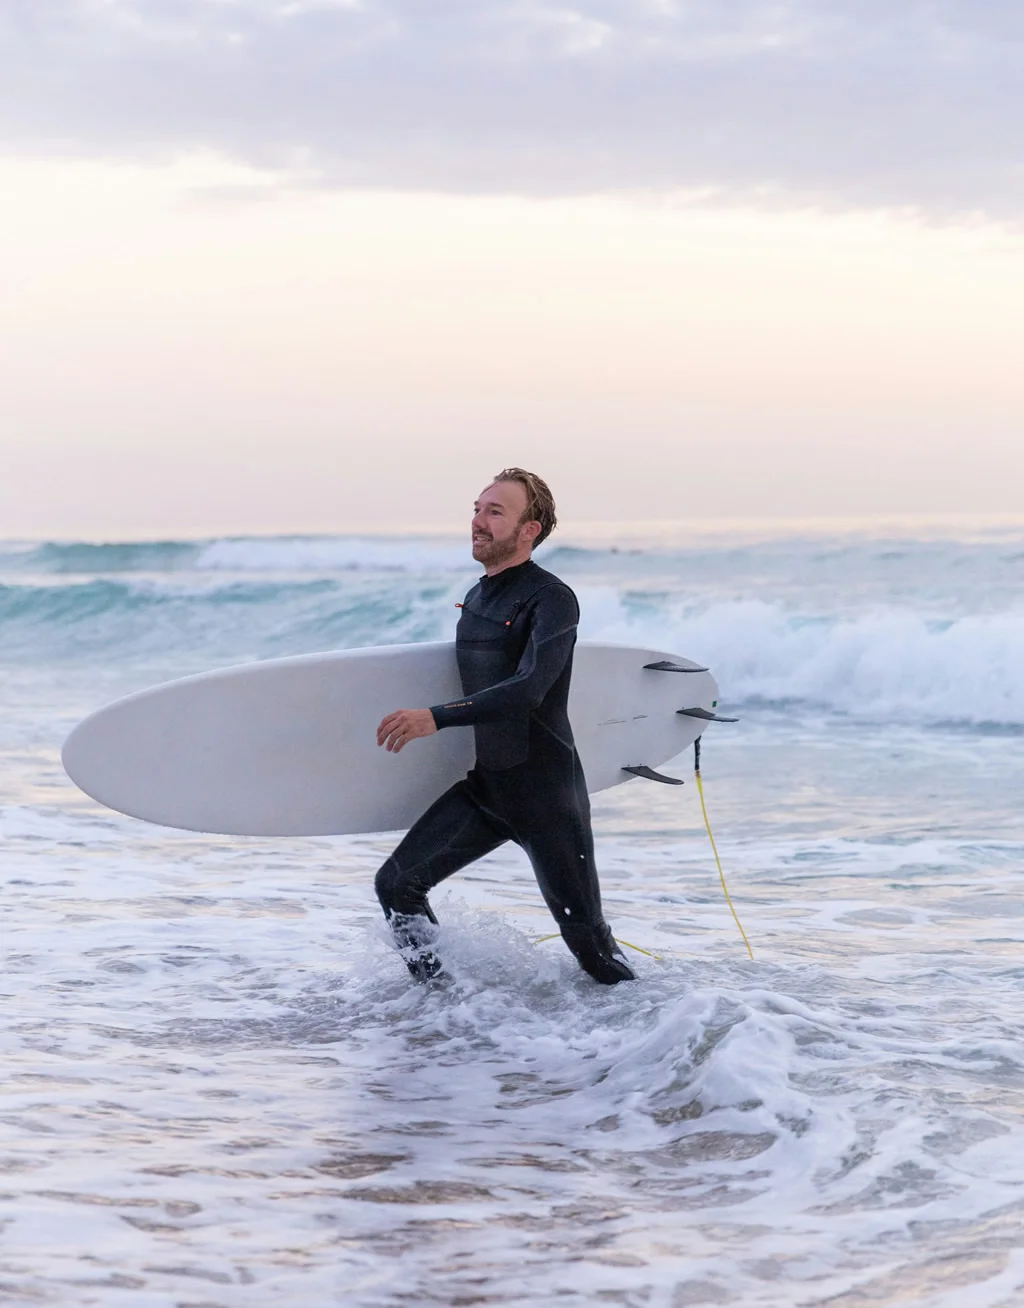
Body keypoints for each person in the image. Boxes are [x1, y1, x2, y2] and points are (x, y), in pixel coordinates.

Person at [373, 468, 635, 986]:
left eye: (495, 512)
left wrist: (436, 717)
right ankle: (444, 1012)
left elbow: (528, 689)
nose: (478, 521)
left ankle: (653, 1034)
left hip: (547, 798)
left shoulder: (551, 598)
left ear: (529, 530)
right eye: (477, 508)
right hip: (488, 790)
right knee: (397, 886)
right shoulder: (476, 597)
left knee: (591, 950)